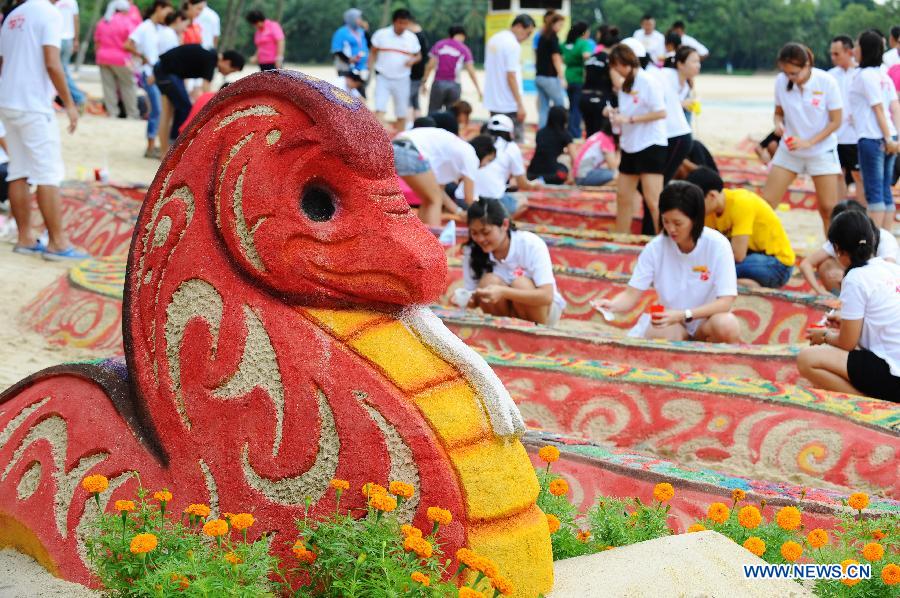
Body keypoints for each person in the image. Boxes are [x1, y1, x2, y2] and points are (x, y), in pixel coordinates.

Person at [592, 181, 740, 343]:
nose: (671, 229)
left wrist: (685, 314)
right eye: (666, 221)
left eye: (678, 223)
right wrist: (612, 305)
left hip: (705, 321)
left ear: (695, 220)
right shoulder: (656, 248)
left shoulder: (717, 245)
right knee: (660, 331)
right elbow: (631, 295)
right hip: (672, 322)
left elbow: (726, 301)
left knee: (727, 324)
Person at [0, 0, 87, 260]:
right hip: (33, 105)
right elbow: (52, 62)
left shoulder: (14, 14)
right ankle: (57, 243)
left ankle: (25, 237)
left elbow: (2, 62)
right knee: (48, 173)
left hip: (8, 101)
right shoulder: (49, 13)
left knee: (19, 170)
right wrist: (69, 103)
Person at [798, 210, 900, 401]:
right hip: (893, 363)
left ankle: (865, 400)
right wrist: (845, 323)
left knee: (807, 359)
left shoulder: (855, 277)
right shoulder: (892, 269)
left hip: (893, 375)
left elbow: (847, 343)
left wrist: (825, 336)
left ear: (837, 249)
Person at [761, 43, 842, 231]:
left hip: (821, 150)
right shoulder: (781, 81)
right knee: (766, 203)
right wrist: (777, 124)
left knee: (828, 208)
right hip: (789, 149)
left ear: (807, 66)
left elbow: (836, 121)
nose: (790, 77)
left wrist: (809, 142)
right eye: (786, 72)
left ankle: (835, 252)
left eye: (794, 73)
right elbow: (778, 112)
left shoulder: (826, 81)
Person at [687, 167, 795, 289]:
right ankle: (744, 283)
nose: (694, 209)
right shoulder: (708, 211)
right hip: (749, 258)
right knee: (703, 269)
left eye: (696, 203)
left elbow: (737, 255)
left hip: (777, 264)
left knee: (710, 272)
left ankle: (739, 282)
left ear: (712, 196)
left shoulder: (741, 203)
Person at [462, 198, 565, 326]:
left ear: (504, 225)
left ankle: (535, 335)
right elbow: (473, 299)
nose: (480, 239)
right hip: (505, 310)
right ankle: (503, 332)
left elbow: (546, 296)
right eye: (474, 233)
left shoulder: (530, 244)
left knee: (521, 283)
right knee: (488, 281)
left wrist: (504, 292)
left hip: (544, 312)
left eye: (486, 232)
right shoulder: (472, 251)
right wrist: (465, 299)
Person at [605, 43, 667, 233]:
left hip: (650, 144)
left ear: (624, 63)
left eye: (616, 67)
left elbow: (661, 112)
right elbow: (627, 111)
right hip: (630, 145)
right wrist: (614, 113)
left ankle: (663, 239)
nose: (615, 72)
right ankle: (621, 236)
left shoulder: (647, 81)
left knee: (653, 199)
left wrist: (631, 119)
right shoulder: (625, 86)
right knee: (623, 196)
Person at [850, 30, 900, 230]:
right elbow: (894, 108)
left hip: (873, 138)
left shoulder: (865, 76)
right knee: (885, 190)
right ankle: (886, 238)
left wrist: (888, 139)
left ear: (865, 49)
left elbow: (878, 108)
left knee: (874, 192)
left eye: (856, 46)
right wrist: (895, 137)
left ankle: (874, 240)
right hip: (888, 136)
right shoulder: (883, 75)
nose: (854, 49)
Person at [154, 46, 244, 152]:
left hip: (163, 69)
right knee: (184, 108)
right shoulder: (211, 60)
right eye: (231, 71)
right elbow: (207, 92)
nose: (228, 73)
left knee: (167, 113)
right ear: (227, 62)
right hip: (166, 72)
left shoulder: (209, 57)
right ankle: (173, 147)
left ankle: (164, 151)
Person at [798, 199, 897, 295]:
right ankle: (840, 299)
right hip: (858, 281)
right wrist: (819, 291)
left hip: (883, 289)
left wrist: (846, 276)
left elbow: (888, 277)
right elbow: (806, 264)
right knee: (826, 265)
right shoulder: (842, 237)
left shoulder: (885, 239)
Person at [393, 123, 481, 225]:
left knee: (428, 199)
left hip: (397, 146)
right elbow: (469, 198)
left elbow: (440, 191)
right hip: (409, 149)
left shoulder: (450, 153)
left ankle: (420, 238)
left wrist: (459, 212)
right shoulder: (470, 154)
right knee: (435, 200)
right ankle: (433, 239)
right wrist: (481, 216)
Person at [125, 0, 172, 159]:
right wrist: (141, 56)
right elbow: (128, 45)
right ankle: (150, 146)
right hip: (148, 72)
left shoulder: (158, 28)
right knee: (157, 109)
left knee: (159, 109)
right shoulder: (144, 27)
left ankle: (154, 145)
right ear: (159, 9)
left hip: (156, 72)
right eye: (167, 11)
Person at [463, 114, 533, 214]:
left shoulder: (478, 141)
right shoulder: (511, 147)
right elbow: (522, 183)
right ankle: (497, 221)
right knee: (522, 202)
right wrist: (533, 185)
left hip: (463, 198)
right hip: (491, 201)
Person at [483, 14, 535, 143]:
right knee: (515, 142)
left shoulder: (494, 39)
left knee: (496, 140)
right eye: (527, 33)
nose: (526, 38)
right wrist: (520, 105)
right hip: (508, 104)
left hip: (494, 101)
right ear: (518, 26)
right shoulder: (512, 45)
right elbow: (511, 76)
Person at [369, 8, 421, 132]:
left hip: (402, 79)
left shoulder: (411, 38)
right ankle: (378, 138)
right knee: (380, 107)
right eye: (400, 23)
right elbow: (373, 53)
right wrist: (368, 69)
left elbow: (418, 55)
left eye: (405, 23)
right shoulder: (381, 34)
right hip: (383, 77)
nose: (403, 26)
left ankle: (400, 138)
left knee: (401, 111)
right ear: (394, 22)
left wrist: (413, 60)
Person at [828, 35, 862, 202]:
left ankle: (864, 214)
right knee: (838, 174)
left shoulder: (860, 73)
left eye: (837, 54)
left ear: (849, 52)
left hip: (855, 135)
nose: (833, 58)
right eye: (831, 54)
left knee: (859, 175)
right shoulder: (830, 76)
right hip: (835, 134)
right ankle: (840, 212)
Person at [660, 46, 700, 184]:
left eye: (699, 62)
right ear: (680, 64)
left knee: (662, 177)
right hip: (666, 133)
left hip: (676, 135)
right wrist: (681, 104)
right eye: (694, 61)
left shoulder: (686, 85)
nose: (698, 65)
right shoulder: (665, 76)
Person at [422, 25, 481, 114]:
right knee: (453, 115)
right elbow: (471, 71)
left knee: (433, 113)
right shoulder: (464, 49)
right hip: (454, 85)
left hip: (438, 83)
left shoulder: (439, 45)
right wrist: (478, 89)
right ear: (461, 35)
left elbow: (430, 65)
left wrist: (424, 82)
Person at [94, 0, 138, 119]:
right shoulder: (127, 22)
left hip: (102, 57)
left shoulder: (102, 21)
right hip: (121, 59)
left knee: (108, 87)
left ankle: (112, 113)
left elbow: (97, 42)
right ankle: (132, 113)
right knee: (128, 86)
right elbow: (132, 42)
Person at [580, 27, 618, 138]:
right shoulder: (610, 60)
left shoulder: (591, 58)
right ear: (614, 46)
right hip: (600, 99)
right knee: (600, 133)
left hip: (585, 98)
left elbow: (584, 77)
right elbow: (615, 84)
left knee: (589, 132)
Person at [527, 105, 576, 184]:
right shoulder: (565, 135)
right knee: (564, 168)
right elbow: (575, 158)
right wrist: (572, 176)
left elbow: (547, 149)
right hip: (552, 174)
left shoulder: (540, 132)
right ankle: (544, 179)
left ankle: (539, 179)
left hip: (532, 172)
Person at [534, 12, 566, 129]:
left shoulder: (542, 37)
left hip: (539, 77)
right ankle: (560, 131)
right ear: (553, 24)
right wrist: (562, 77)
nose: (561, 28)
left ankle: (542, 134)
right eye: (560, 24)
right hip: (549, 77)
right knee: (560, 105)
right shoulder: (553, 37)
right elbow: (556, 58)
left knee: (543, 108)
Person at [562, 21, 592, 139]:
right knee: (577, 107)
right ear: (584, 32)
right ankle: (575, 132)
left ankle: (570, 129)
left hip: (568, 76)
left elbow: (563, 59)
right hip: (580, 78)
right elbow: (586, 56)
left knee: (571, 106)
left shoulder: (565, 44)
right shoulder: (583, 43)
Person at [52, 0, 85, 106]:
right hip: (68, 39)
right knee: (62, 69)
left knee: (58, 70)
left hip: (55, 38)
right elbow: (76, 20)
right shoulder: (72, 2)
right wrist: (76, 39)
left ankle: (78, 97)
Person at [331, 8, 368, 76]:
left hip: (362, 68)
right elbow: (336, 51)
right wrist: (349, 59)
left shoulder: (361, 31)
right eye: (358, 18)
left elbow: (367, 45)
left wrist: (366, 30)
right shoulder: (341, 32)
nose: (361, 20)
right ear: (351, 19)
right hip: (346, 69)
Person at [407, 18, 428, 120]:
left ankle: (410, 123)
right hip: (419, 74)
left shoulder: (414, 37)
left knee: (408, 99)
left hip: (413, 74)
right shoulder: (422, 36)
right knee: (415, 101)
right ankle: (417, 122)